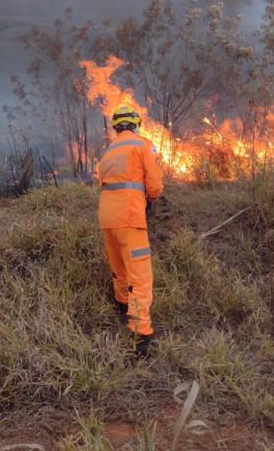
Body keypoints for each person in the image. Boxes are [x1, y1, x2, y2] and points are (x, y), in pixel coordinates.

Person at [97, 105, 163, 358]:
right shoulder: (142, 144)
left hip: (107, 218)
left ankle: (122, 308)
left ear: (116, 128)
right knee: (140, 275)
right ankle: (141, 332)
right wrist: (151, 199)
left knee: (119, 267)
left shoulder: (108, 153)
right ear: (136, 125)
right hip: (130, 217)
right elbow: (154, 184)